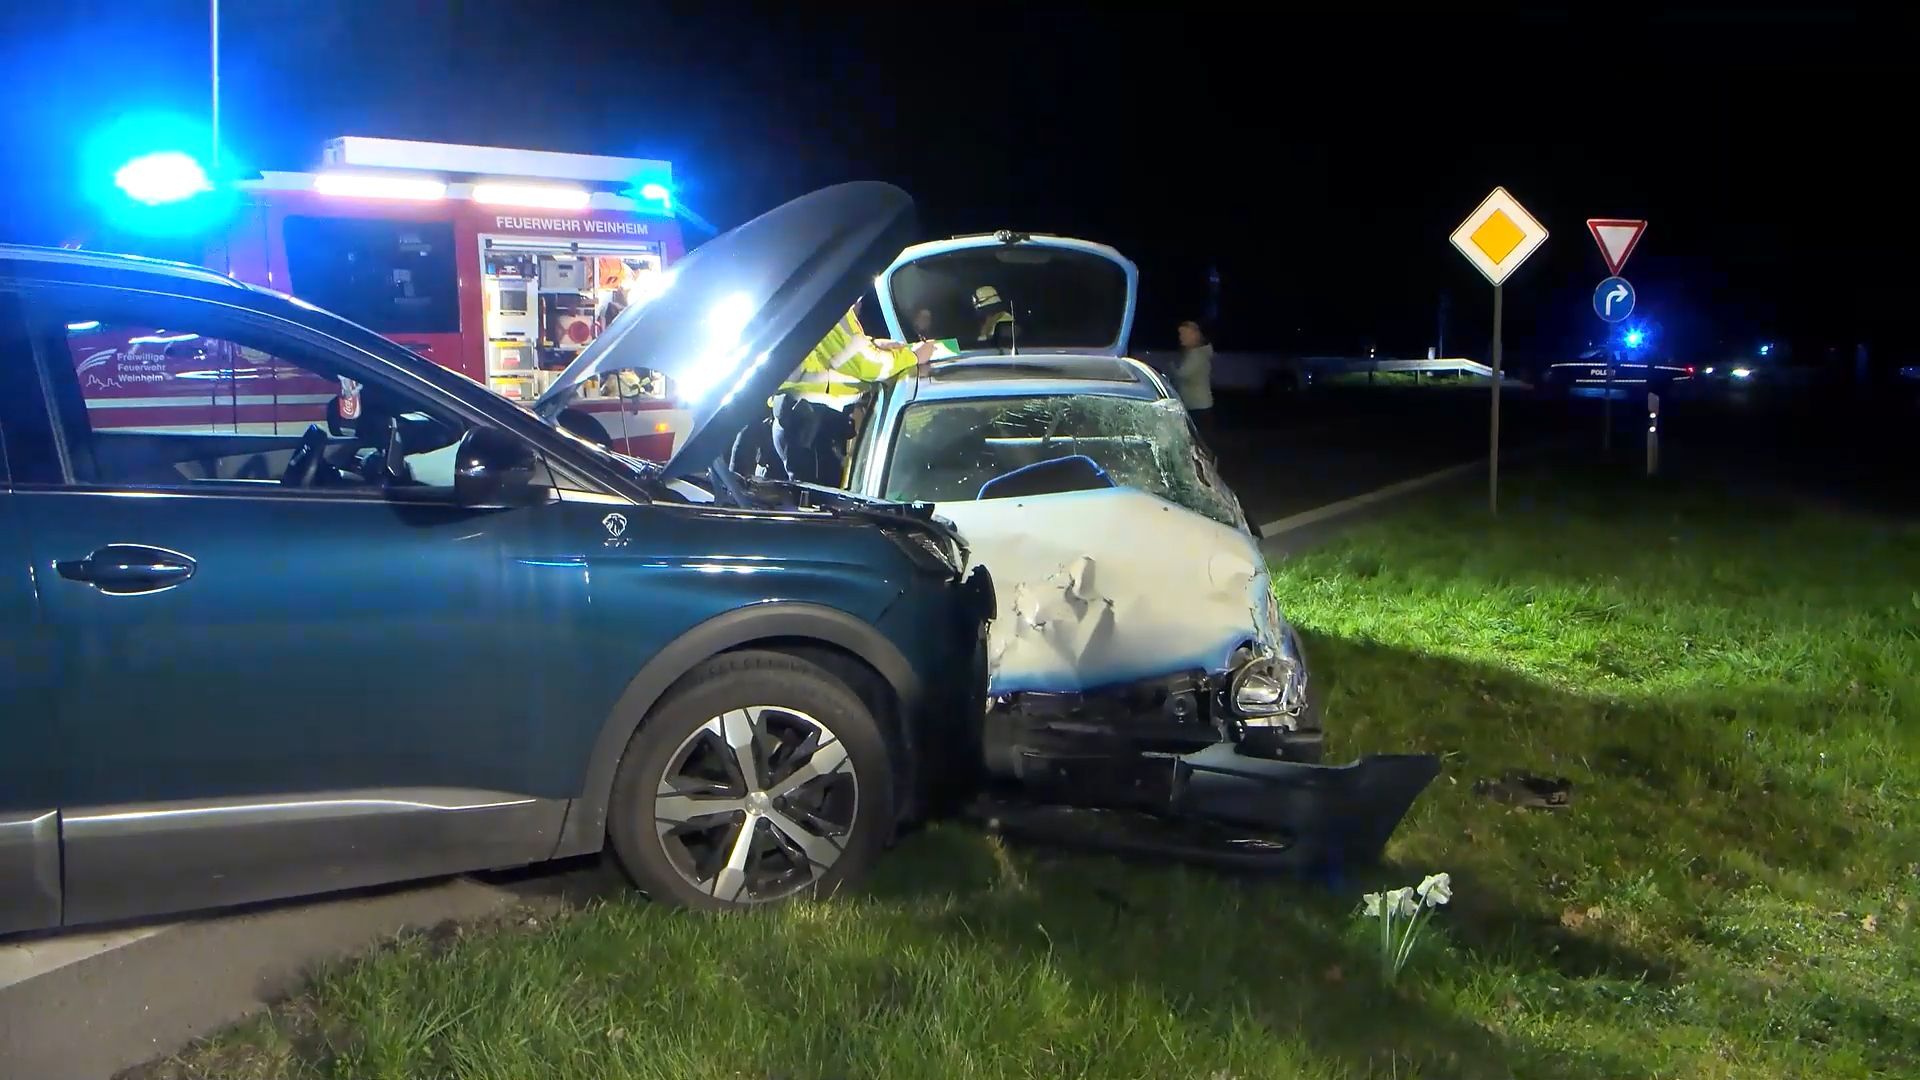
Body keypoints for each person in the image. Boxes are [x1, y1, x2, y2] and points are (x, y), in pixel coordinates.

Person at [1173, 319, 1216, 441]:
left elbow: (1182, 374)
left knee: (1195, 440)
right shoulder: (1195, 353)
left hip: (1197, 405)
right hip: (1198, 404)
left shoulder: (1196, 354)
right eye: (1180, 334)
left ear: (1192, 336)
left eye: (1183, 334)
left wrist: (1172, 367)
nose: (1180, 337)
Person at [971, 286, 1015, 350]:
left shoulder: (1004, 321)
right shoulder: (991, 320)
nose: (979, 313)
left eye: (981, 309)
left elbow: (1004, 344)